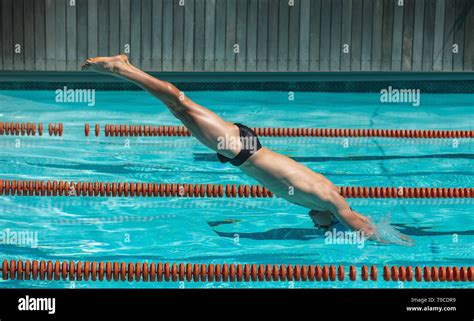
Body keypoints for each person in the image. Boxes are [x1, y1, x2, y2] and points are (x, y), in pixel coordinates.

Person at [81, 54, 404, 242]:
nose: (316, 225)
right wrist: (389, 242)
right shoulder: (329, 200)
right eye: (322, 226)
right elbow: (358, 223)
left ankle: (124, 69)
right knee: (180, 104)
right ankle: (122, 67)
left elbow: (351, 218)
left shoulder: (322, 197)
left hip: (244, 148)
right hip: (239, 148)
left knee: (179, 108)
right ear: (331, 219)